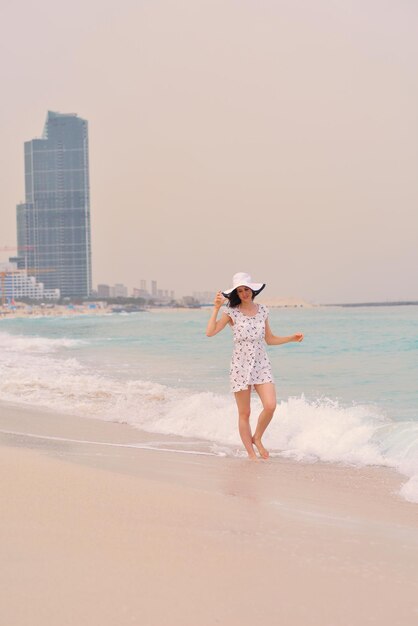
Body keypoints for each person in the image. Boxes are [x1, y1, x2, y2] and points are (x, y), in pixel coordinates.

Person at [206, 272, 303, 460]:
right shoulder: (231, 312)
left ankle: (257, 437)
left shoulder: (263, 310)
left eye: (246, 289)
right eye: (240, 290)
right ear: (236, 293)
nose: (244, 293)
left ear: (253, 290)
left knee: (270, 405)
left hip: (261, 364)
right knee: (245, 412)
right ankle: (251, 455)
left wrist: (291, 338)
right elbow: (210, 332)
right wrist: (216, 308)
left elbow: (270, 339)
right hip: (240, 366)